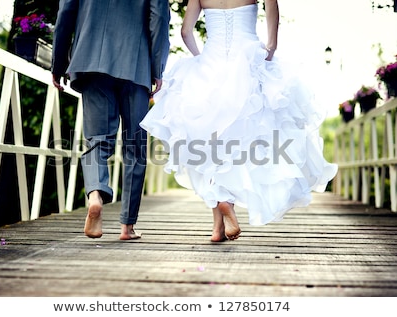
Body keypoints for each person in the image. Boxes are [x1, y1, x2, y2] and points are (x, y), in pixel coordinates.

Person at [140, 0, 338, 242]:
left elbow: (185, 31)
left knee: (211, 145)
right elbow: (272, 4)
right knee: (241, 145)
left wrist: (199, 58)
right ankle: (224, 208)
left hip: (211, 65)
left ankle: (217, 225)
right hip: (248, 62)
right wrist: (272, 45)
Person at [51, 1, 170, 240]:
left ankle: (96, 195)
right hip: (136, 64)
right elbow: (158, 17)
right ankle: (127, 226)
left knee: (97, 140)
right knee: (135, 147)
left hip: (90, 60)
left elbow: (65, 13)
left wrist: (58, 64)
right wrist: (157, 68)